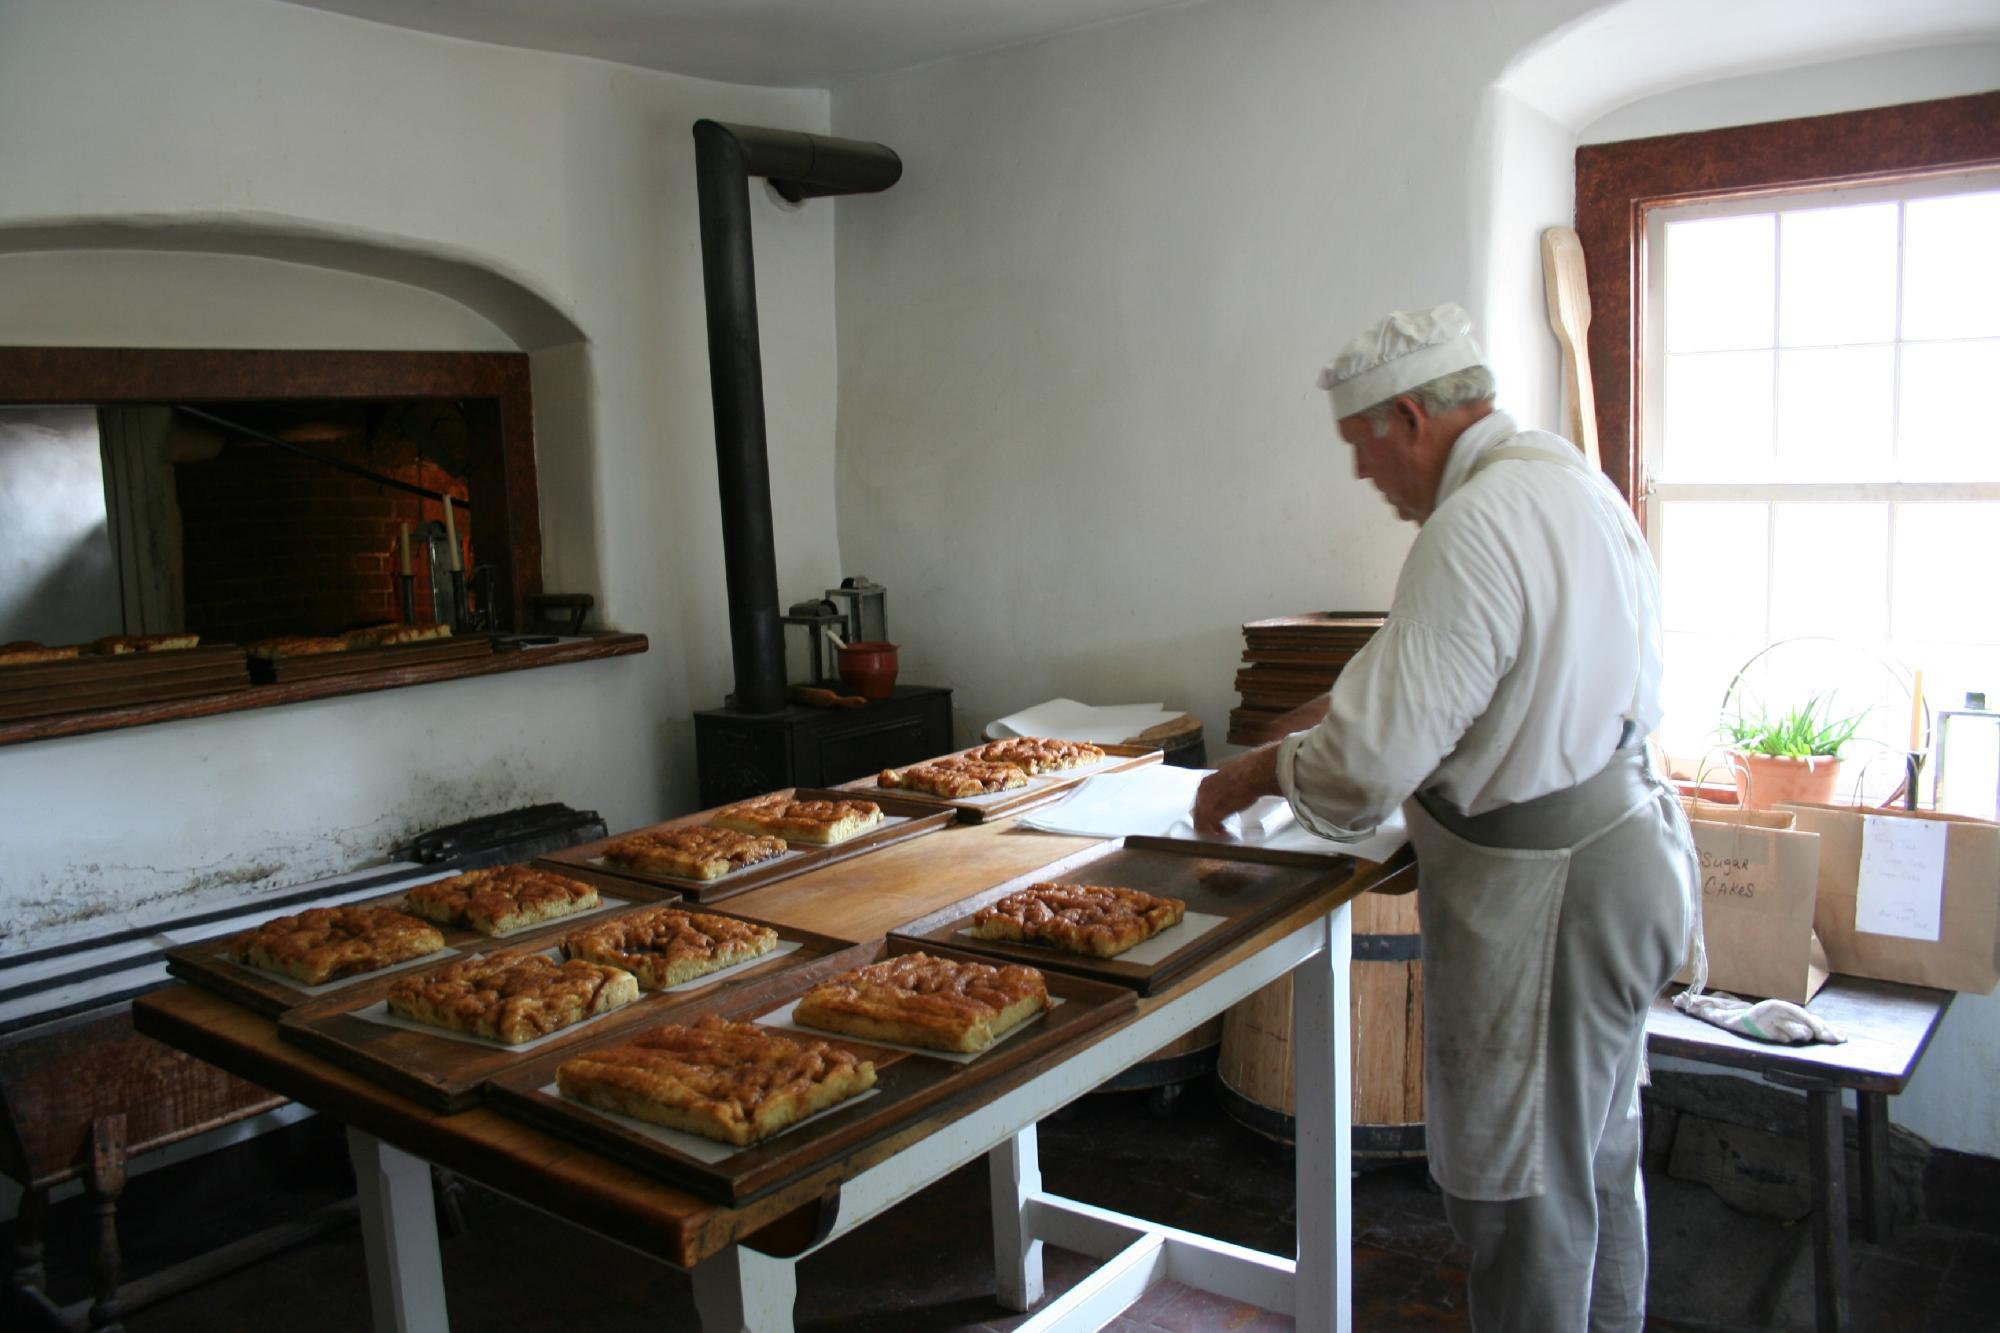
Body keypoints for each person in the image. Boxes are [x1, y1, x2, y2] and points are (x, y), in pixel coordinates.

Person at [1193, 303, 1695, 1333]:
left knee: (1523, 1197)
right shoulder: (1564, 481)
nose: (1360, 474)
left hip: (1555, 897)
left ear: (1411, 418)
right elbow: (1454, 682)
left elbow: (1364, 768)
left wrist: (1251, 775)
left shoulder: (1474, 527)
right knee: (1594, 1166)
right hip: (1626, 856)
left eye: (1360, 444)